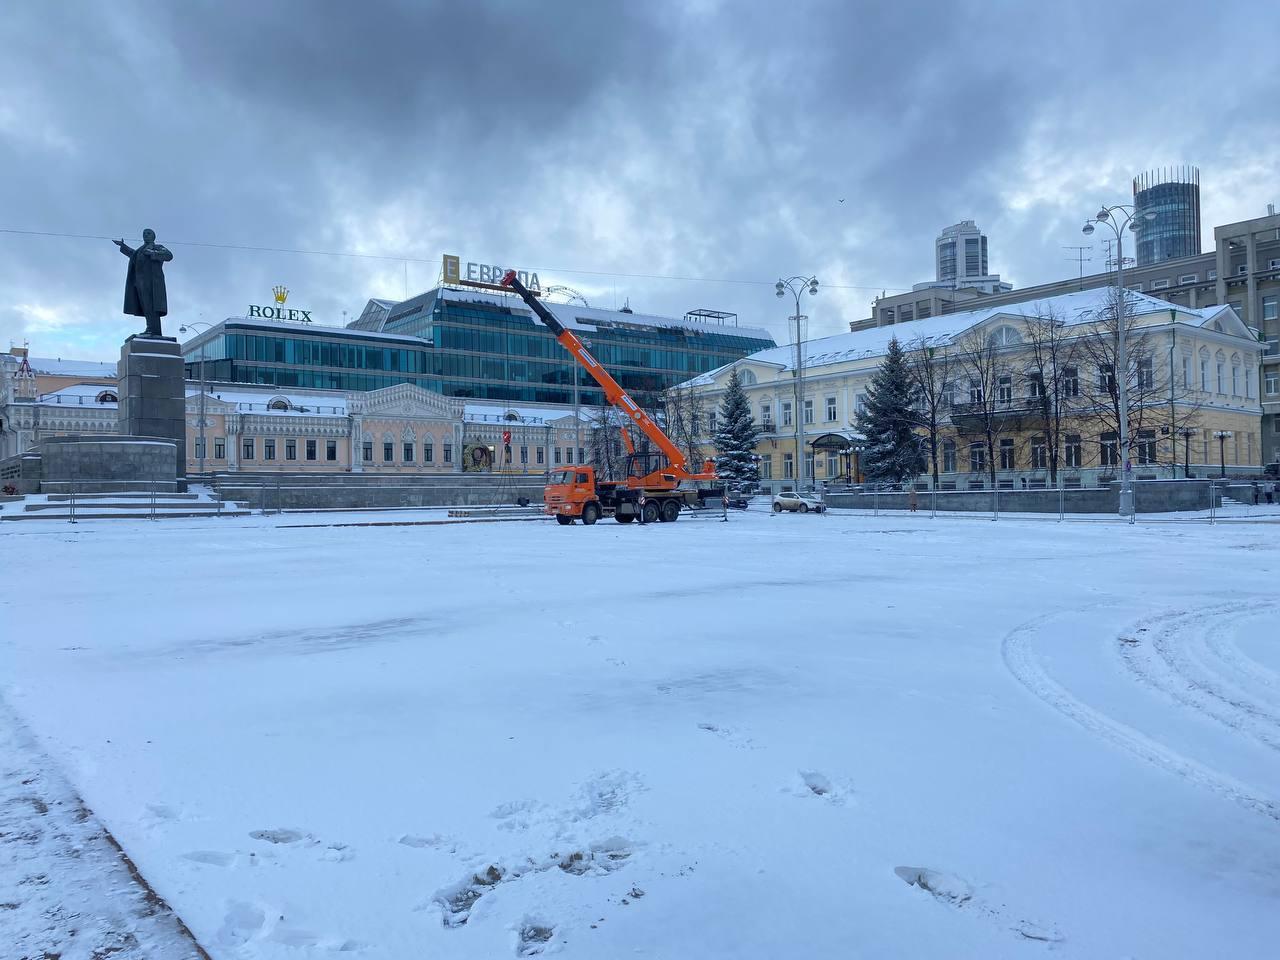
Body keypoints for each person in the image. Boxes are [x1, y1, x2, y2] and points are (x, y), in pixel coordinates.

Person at [114, 228, 174, 338]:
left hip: (153, 283)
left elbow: (169, 255)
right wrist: (123, 246)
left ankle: (153, 330)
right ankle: (150, 328)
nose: (146, 235)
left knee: (152, 305)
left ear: (153, 236)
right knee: (146, 306)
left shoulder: (157, 247)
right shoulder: (140, 250)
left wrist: (153, 253)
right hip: (140, 282)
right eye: (144, 233)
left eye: (149, 233)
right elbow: (133, 254)